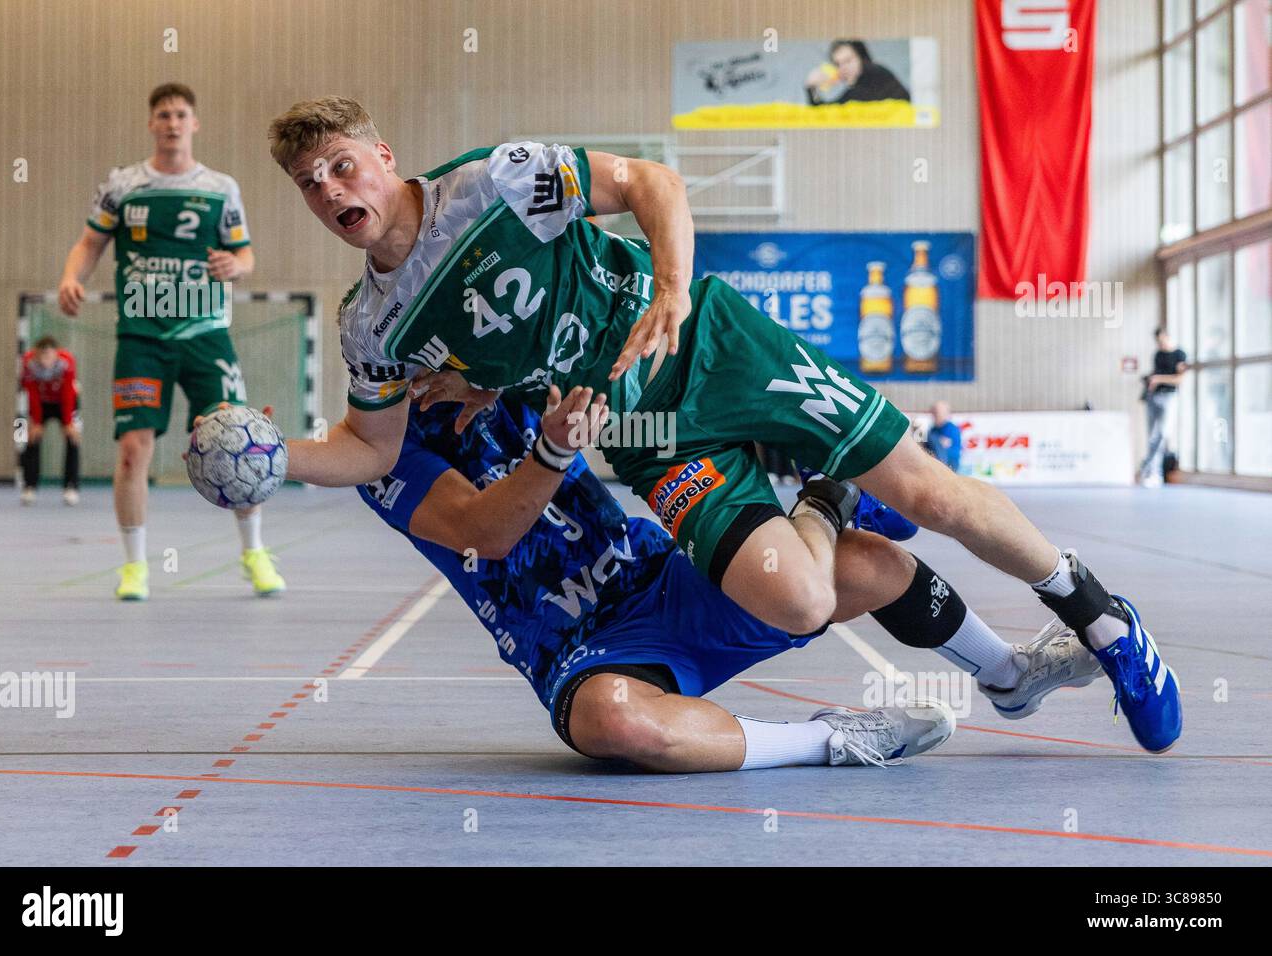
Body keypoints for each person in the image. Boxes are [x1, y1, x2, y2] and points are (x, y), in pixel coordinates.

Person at [264, 96, 1181, 753]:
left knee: (928, 492)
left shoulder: (494, 184)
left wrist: (667, 290)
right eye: (311, 184)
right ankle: (822, 496)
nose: (332, 187)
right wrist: (272, 455)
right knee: (795, 597)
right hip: (642, 429)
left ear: (382, 154)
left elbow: (650, 182)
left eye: (342, 163)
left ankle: (1100, 620)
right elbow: (370, 447)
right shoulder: (373, 326)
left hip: (710, 341)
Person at [342, 369, 1104, 772]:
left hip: (657, 579)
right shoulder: (385, 454)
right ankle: (833, 739)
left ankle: (1010, 675)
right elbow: (490, 531)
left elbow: (620, 390)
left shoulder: (502, 374)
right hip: (584, 650)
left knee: (869, 566)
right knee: (615, 722)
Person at [56, 82, 284, 601]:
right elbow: (89, 243)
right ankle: (134, 566)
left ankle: (254, 553)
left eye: (181, 114)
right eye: (163, 114)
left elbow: (245, 256)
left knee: (239, 440)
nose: (173, 122)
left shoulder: (221, 187)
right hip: (142, 335)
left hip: (206, 335)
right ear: (152, 123)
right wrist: (72, 278)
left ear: (194, 123)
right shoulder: (122, 185)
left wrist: (236, 266)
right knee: (135, 450)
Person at [19, 336, 81, 506]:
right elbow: (31, 392)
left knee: (73, 439)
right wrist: (36, 422)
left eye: (49, 355)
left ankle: (71, 487)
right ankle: (29, 486)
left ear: (56, 354)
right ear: (36, 354)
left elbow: (68, 392)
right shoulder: (28, 363)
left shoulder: (67, 361)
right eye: (42, 355)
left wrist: (68, 422)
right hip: (41, 403)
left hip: (67, 403)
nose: (45, 360)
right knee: (29, 438)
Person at [1139, 328, 1187, 488]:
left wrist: (1159, 378)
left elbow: (1179, 379)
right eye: (1158, 342)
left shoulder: (1180, 354)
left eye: (1161, 341)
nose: (1160, 344)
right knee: (1152, 435)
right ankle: (1151, 472)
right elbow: (1155, 372)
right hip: (1154, 397)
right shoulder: (1158, 355)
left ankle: (1151, 469)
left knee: (1162, 433)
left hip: (1169, 397)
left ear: (1167, 337)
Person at [805, 40, 911, 106]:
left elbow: (825, 111)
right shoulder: (859, 85)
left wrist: (812, 88)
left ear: (861, 58)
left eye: (848, 60)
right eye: (838, 64)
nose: (843, 68)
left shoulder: (874, 72)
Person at [927, 400, 962, 473]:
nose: (935, 415)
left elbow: (943, 450)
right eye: (934, 413)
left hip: (949, 469)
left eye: (938, 413)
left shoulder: (952, 430)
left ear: (946, 413)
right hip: (936, 469)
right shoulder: (932, 430)